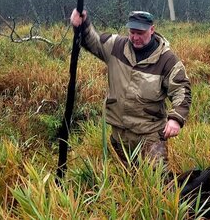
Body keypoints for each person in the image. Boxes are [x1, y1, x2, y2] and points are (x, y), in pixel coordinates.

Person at [70, 9, 191, 167]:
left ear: (152, 30)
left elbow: (182, 89)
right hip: (119, 132)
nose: (135, 37)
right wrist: (82, 24)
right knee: (128, 176)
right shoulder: (116, 46)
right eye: (132, 32)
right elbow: (92, 41)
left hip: (149, 134)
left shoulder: (167, 59)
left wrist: (176, 119)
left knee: (157, 180)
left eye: (140, 33)